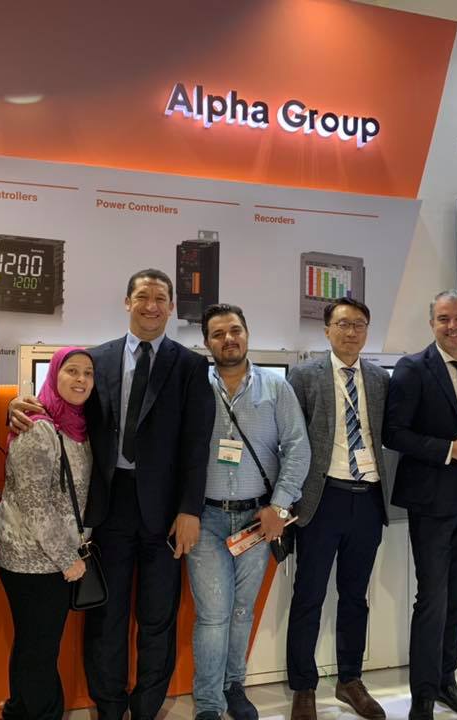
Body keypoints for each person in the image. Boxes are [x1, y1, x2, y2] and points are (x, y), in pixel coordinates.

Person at [9, 268, 215, 720]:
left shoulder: (190, 366)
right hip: (107, 505)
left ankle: (146, 707)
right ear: (127, 302)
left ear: (171, 307)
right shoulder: (97, 360)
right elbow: (61, 407)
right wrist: (17, 406)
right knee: (107, 613)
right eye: (142, 296)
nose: (151, 306)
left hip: (165, 511)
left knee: (158, 616)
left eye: (160, 298)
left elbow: (197, 443)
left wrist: (190, 510)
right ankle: (109, 705)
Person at [188, 303, 311, 720]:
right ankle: (209, 702)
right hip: (206, 519)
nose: (229, 339)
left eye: (235, 330)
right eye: (218, 333)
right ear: (207, 343)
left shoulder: (276, 388)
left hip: (258, 520)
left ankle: (233, 685)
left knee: (242, 610)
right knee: (213, 615)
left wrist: (279, 505)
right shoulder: (194, 388)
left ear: (246, 333)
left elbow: (298, 448)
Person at [384, 290, 457, 720]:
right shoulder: (413, 368)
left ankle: (446, 681)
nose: (452, 326)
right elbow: (393, 433)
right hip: (432, 502)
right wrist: (449, 449)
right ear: (431, 323)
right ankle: (422, 695)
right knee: (432, 599)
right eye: (443, 319)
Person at [285, 297, 391, 720]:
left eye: (359, 324)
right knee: (308, 596)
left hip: (368, 499)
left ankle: (350, 680)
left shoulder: (380, 378)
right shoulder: (303, 375)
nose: (351, 332)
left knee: (354, 597)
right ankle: (303, 686)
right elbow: (289, 440)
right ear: (326, 330)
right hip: (321, 499)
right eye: (343, 324)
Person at [0, 347, 95, 720]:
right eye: (72, 370)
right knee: (39, 648)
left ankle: (24, 712)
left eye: (88, 373)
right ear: (53, 375)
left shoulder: (77, 425)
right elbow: (35, 504)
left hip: (53, 556)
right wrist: (68, 558)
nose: (81, 379)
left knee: (37, 645)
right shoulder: (37, 427)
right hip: (32, 559)